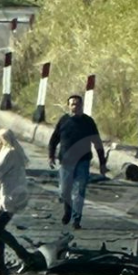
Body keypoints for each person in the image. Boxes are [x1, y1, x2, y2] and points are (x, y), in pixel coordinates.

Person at [0, 129, 40, 275]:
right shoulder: (10, 152)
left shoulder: (9, 153)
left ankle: (25, 256)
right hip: (6, 195)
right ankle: (0, 265)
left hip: (9, 197)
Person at [47, 93, 107, 229]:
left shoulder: (88, 122)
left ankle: (76, 219)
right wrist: (51, 156)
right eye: (72, 103)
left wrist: (102, 163)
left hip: (83, 162)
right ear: (68, 106)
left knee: (79, 191)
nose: (75, 106)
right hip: (65, 162)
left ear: (81, 105)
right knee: (64, 191)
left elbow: (97, 143)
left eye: (77, 104)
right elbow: (54, 139)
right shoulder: (63, 121)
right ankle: (67, 210)